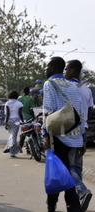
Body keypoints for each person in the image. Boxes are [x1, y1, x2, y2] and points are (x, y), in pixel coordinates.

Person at [42, 56, 82, 212]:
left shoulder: (49, 84)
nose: (46, 69)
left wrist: (45, 135)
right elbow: (80, 113)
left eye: (47, 66)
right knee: (66, 172)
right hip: (75, 136)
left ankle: (56, 206)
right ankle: (68, 205)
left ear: (52, 67)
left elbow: (48, 111)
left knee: (58, 174)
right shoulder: (73, 86)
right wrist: (83, 138)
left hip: (59, 136)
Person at [64, 59, 93, 211]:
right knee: (76, 167)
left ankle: (82, 191)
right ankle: (78, 201)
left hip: (69, 130)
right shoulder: (86, 89)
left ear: (74, 71)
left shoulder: (67, 87)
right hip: (82, 130)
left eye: (67, 69)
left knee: (68, 167)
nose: (65, 72)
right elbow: (87, 110)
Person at [3, 91, 23, 158]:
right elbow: (20, 114)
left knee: (12, 135)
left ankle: (10, 148)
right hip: (16, 121)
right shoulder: (19, 103)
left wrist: (5, 122)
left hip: (9, 121)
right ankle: (11, 149)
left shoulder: (7, 103)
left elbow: (7, 114)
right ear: (17, 96)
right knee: (14, 135)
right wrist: (22, 121)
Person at [18, 87, 35, 151]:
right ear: (29, 92)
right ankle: (29, 149)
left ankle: (20, 146)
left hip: (21, 118)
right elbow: (31, 110)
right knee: (31, 132)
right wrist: (34, 117)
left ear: (23, 92)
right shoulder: (30, 99)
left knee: (23, 133)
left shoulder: (19, 99)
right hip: (29, 118)